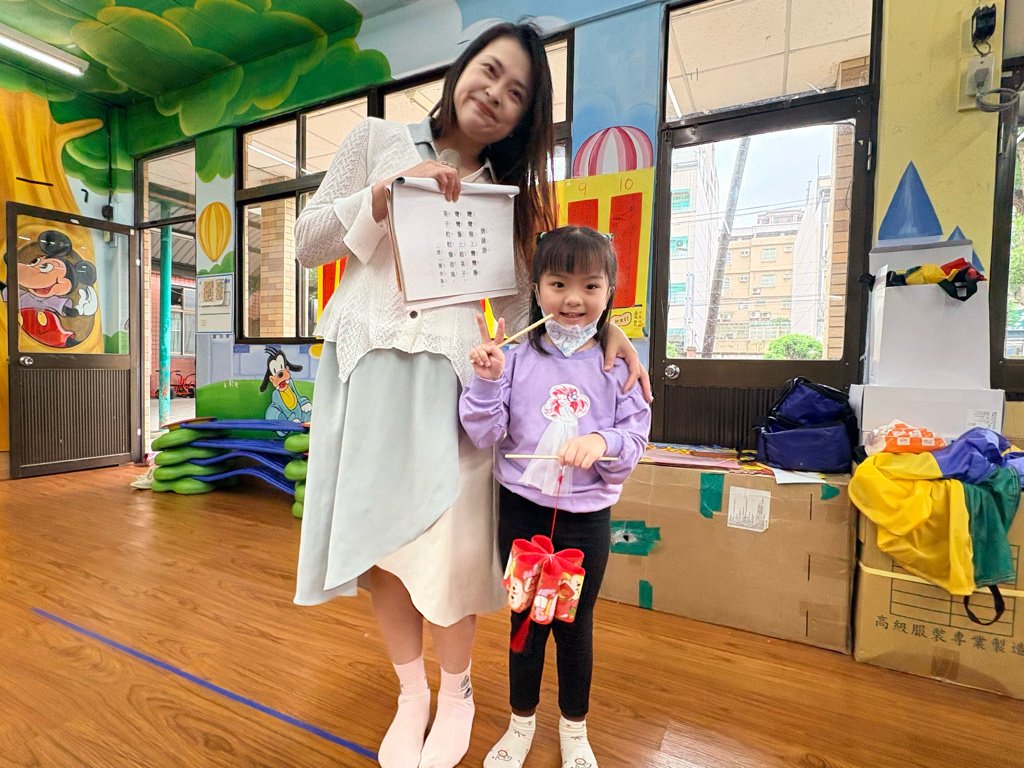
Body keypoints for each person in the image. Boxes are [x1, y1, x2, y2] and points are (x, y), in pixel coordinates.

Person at [292, 21, 650, 768]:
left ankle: (456, 693)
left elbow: (531, 311)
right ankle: (411, 694)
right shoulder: (375, 140)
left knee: (450, 550)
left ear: (524, 118)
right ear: (462, 69)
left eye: (516, 93)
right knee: (381, 548)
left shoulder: (506, 199)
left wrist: (606, 331)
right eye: (490, 71)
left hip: (458, 387)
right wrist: (387, 193)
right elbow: (307, 242)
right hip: (365, 370)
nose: (495, 94)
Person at [460, 226, 651, 768]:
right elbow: (483, 433)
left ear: (610, 290)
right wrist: (487, 381)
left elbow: (634, 440)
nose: (573, 299)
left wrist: (602, 442)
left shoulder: (619, 365)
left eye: (590, 285)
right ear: (537, 288)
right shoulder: (515, 356)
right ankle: (521, 723)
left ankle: (575, 729)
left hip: (586, 521)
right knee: (525, 620)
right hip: (521, 513)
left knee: (574, 625)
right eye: (558, 284)